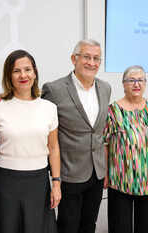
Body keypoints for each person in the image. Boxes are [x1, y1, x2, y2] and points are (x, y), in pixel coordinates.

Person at [41, 39, 111, 233]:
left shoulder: (105, 88)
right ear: (74, 59)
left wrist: (105, 168)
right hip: (69, 173)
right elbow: (37, 115)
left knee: (89, 225)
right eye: (86, 57)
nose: (92, 62)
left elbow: (99, 132)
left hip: (96, 173)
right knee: (68, 226)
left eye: (96, 58)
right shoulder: (54, 89)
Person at [0, 50, 61, 233]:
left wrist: (56, 183)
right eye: (16, 71)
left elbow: (53, 148)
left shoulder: (49, 108)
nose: (23, 75)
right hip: (5, 182)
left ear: (35, 73)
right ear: (8, 76)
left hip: (38, 181)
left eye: (27, 69)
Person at [103, 65, 148, 233]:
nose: (136, 84)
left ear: (145, 83)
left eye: (140, 80)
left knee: (147, 227)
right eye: (132, 80)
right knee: (120, 227)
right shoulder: (113, 110)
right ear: (123, 84)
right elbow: (105, 144)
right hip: (122, 178)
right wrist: (106, 174)